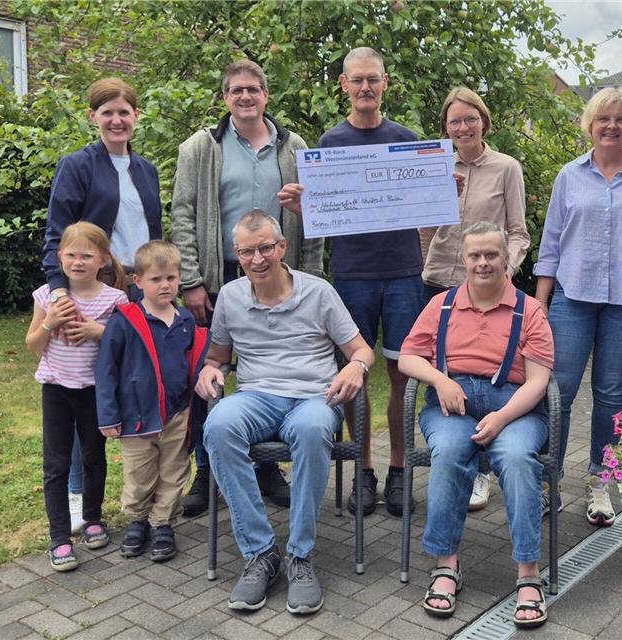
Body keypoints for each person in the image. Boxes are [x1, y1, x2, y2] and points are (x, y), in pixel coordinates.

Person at [194, 210, 374, 615]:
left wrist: (355, 367)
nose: (257, 259)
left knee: (312, 429)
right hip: (257, 397)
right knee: (219, 424)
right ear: (236, 254)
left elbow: (361, 350)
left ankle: (300, 556)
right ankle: (261, 553)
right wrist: (209, 370)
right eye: (246, 251)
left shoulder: (319, 292)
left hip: (314, 397)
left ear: (281, 247)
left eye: (264, 249)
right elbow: (217, 356)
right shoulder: (231, 296)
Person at [171, 59, 323, 516]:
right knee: (208, 375)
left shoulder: (294, 146)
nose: (245, 97)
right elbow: (182, 214)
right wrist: (192, 282)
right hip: (220, 279)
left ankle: (266, 470)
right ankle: (207, 470)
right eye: (236, 90)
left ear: (265, 95)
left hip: (282, 283)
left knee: (271, 373)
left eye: (253, 89)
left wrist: (311, 276)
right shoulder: (202, 147)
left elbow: (316, 218)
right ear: (225, 97)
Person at [278, 46, 421, 517]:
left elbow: (426, 209)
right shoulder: (329, 144)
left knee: (402, 377)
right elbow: (326, 213)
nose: (365, 88)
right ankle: (362, 471)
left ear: (385, 84)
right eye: (356, 80)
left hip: (403, 273)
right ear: (343, 85)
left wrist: (441, 190)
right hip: (353, 276)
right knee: (354, 375)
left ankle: (398, 470)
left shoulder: (405, 139)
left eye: (373, 80)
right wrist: (306, 209)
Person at [399, 221, 553, 629]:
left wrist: (502, 417)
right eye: (475, 256)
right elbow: (407, 358)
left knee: (518, 458)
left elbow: (538, 380)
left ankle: (528, 575)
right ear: (464, 260)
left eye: (491, 255)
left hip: (514, 406)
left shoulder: (530, 310)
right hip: (452, 404)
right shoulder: (442, 305)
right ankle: (446, 566)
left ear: (507, 259)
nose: (483, 263)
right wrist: (440, 379)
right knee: (449, 451)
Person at [534, 87, 622, 527]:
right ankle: (548, 478)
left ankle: (599, 482)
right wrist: (539, 303)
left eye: (621, 119)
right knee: (559, 393)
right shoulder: (568, 176)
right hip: (572, 299)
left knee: (611, 397)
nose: (611, 126)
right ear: (589, 125)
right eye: (603, 119)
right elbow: (551, 241)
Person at [41, 77, 162, 530]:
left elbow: (153, 230)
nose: (117, 119)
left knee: (134, 383)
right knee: (78, 389)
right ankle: (76, 493)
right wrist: (60, 291)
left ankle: (144, 495)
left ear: (136, 118)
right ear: (92, 117)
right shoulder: (77, 166)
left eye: (124, 112)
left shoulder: (146, 169)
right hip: (92, 284)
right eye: (107, 111)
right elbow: (58, 233)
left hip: (140, 286)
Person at [420, 86, 530, 513]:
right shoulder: (434, 166)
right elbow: (421, 228)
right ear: (445, 128)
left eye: (470, 119)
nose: (463, 127)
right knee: (447, 377)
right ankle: (456, 463)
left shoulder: (506, 168)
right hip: (439, 284)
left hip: (488, 287)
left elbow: (518, 231)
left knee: (488, 375)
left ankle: (483, 469)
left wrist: (505, 269)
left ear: (484, 121)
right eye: (454, 121)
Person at [95, 241, 209, 562]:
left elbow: (195, 364)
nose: (165, 285)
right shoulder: (126, 320)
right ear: (138, 281)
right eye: (156, 279)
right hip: (136, 416)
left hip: (177, 413)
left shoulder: (186, 321)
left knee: (174, 472)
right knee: (140, 474)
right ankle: (137, 520)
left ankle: (162, 524)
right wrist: (108, 415)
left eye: (171, 278)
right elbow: (106, 369)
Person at [25, 222, 128, 572]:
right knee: (56, 464)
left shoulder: (116, 299)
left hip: (93, 391)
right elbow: (32, 346)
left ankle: (93, 518)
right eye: (71, 254)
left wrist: (97, 330)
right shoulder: (46, 296)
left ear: (103, 260)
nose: (78, 262)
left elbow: (125, 344)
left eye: (87, 255)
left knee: (93, 456)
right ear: (60, 258)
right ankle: (59, 538)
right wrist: (50, 322)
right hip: (55, 389)